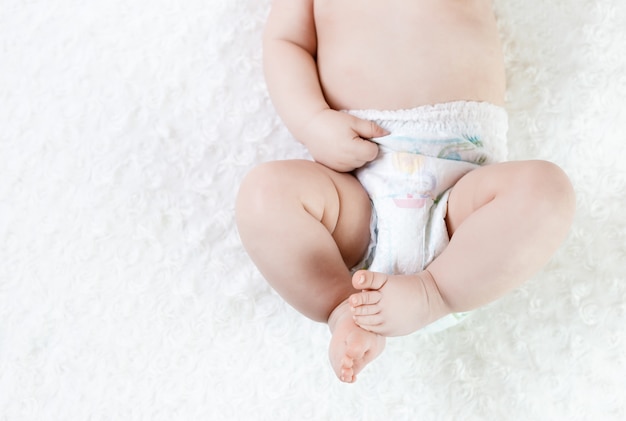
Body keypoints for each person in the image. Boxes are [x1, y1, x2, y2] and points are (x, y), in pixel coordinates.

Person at [236, 0, 575, 384]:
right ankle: (342, 307)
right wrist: (312, 121)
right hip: (357, 189)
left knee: (546, 190)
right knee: (264, 193)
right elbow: (286, 42)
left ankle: (433, 293)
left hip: (462, 198)